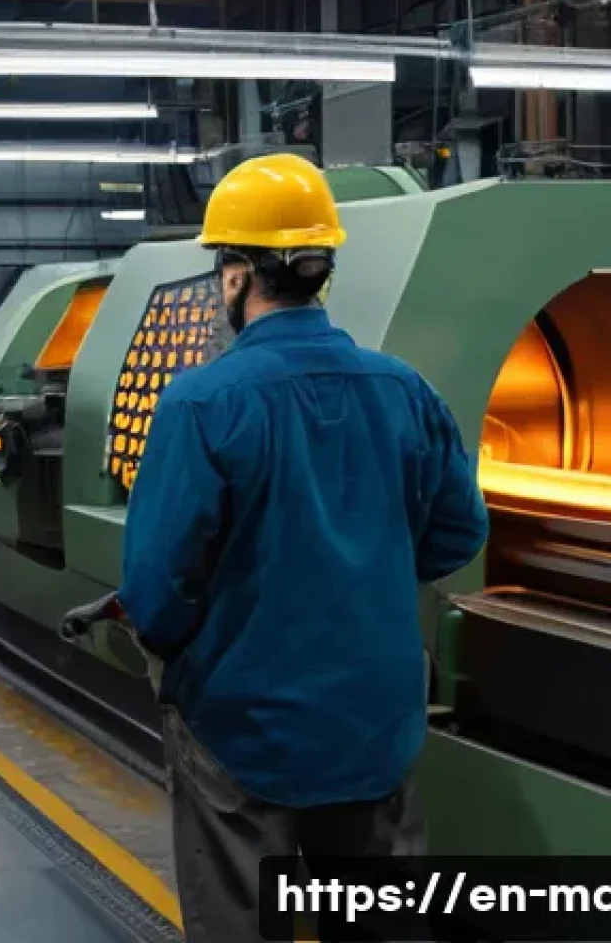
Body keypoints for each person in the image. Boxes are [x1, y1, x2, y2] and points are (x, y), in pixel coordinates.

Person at [117, 154, 489, 940]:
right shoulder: (404, 390)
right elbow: (461, 530)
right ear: (322, 269)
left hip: (242, 720)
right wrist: (369, 572)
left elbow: (155, 589)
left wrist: (189, 652)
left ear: (234, 274)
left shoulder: (201, 403)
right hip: (373, 720)